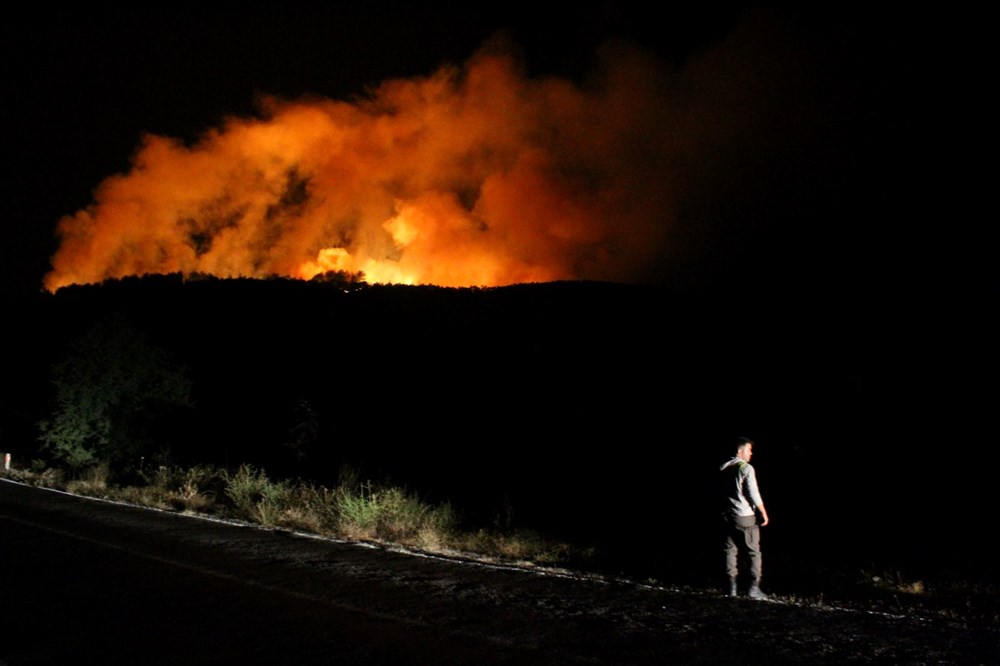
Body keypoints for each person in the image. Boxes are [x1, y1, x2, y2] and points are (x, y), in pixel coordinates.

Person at [719, 436, 770, 599]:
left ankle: (731, 587)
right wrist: (763, 512)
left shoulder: (724, 467)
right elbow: (753, 492)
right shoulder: (746, 468)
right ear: (740, 452)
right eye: (749, 450)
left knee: (730, 550)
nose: (751, 453)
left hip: (729, 516)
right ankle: (753, 588)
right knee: (754, 551)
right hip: (745, 516)